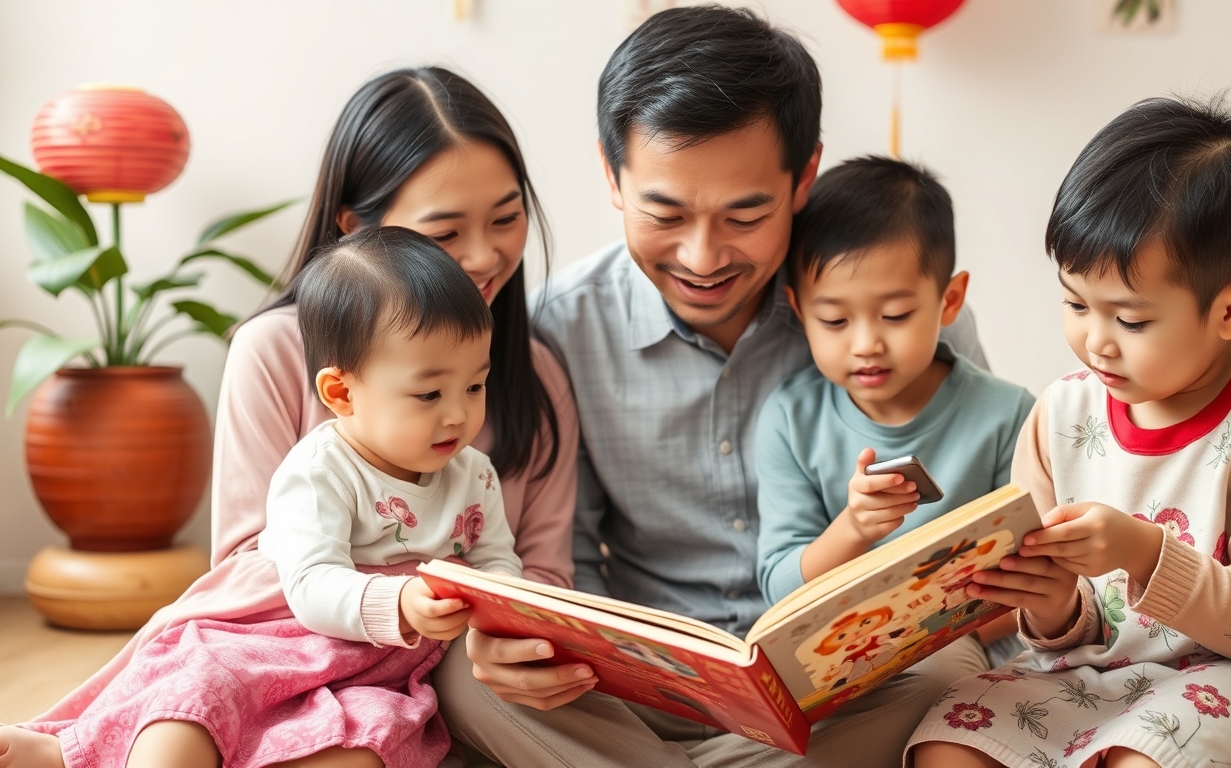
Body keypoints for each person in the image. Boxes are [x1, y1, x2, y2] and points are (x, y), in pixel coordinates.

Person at [437, 7, 992, 766]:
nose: (702, 257)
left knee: (954, 671)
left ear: (805, 178)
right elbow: (566, 559)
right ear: (611, 175)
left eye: (745, 214)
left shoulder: (892, 312)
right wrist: (534, 647)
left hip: (839, 681)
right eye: (665, 212)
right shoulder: (559, 332)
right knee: (471, 682)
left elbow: (975, 520)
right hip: (642, 693)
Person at [14, 66, 578, 766]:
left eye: (505, 216)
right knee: (194, 698)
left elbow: (531, 574)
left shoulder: (530, 384)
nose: (485, 255)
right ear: (357, 230)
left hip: (432, 661)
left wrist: (483, 618)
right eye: (444, 230)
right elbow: (257, 568)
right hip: (293, 628)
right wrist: (399, 597)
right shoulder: (282, 365)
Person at [908, 95, 1231, 767]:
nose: (1096, 342)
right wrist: (1052, 607)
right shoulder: (1062, 412)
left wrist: (1143, 552)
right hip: (1101, 678)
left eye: (1131, 321)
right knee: (947, 744)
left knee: (1142, 758)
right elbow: (1059, 629)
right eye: (1075, 302)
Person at [0, 227, 523, 768]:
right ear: (341, 393)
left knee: (371, 743)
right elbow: (311, 583)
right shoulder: (321, 471)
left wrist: (502, 599)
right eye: (430, 393)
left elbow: (495, 558)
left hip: (380, 671)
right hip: (274, 638)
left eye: (475, 386)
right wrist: (399, 602)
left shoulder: (475, 476)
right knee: (194, 704)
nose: (458, 414)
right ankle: (65, 754)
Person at [754, 157, 1033, 668]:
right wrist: (854, 528)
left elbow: (1043, 577)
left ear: (949, 301)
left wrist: (935, 640)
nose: (866, 344)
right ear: (799, 311)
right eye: (834, 320)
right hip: (848, 665)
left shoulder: (1009, 416)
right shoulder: (789, 421)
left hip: (978, 656)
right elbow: (780, 589)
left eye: (896, 316)